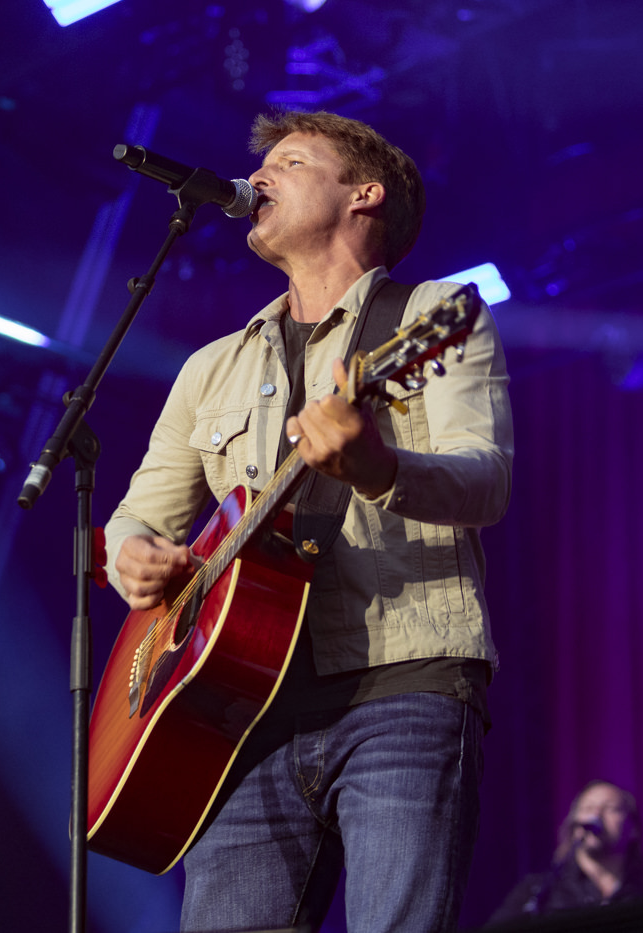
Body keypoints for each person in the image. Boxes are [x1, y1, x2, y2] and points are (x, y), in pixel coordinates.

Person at [103, 110, 513, 933]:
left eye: (290, 162)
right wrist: (133, 558)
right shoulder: (210, 367)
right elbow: (137, 516)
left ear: (365, 194)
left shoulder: (435, 315)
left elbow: (486, 481)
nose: (258, 177)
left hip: (402, 680)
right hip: (236, 713)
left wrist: (379, 468)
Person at [489, 780, 643, 923]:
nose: (595, 816)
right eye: (587, 809)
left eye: (610, 808)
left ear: (633, 827)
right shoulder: (536, 891)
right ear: (575, 826)